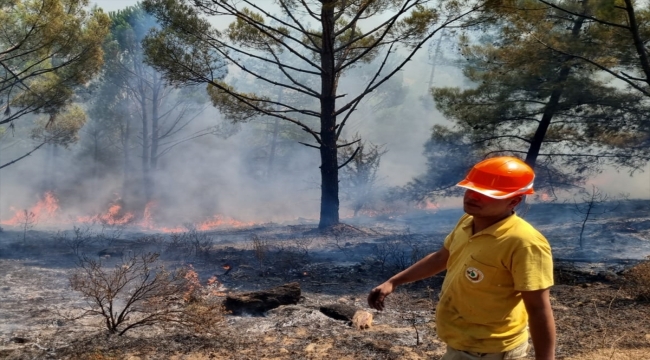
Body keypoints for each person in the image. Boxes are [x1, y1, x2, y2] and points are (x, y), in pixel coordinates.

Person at [368, 156, 555, 360]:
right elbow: (442, 258)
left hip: (491, 350)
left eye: (486, 194)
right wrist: (394, 281)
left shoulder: (523, 242)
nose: (473, 197)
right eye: (471, 189)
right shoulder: (468, 221)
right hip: (461, 343)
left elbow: (538, 308)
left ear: (514, 200)